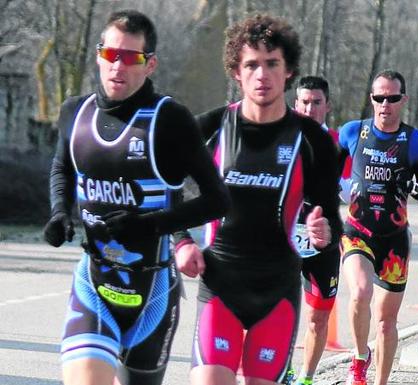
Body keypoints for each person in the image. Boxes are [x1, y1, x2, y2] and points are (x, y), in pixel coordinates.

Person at [44, 10, 231, 385]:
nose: (118, 66)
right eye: (111, 54)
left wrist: (149, 226)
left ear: (150, 65)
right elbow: (63, 167)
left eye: (131, 58)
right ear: (99, 56)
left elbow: (217, 200)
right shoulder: (74, 112)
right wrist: (59, 213)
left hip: (152, 294)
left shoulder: (168, 119)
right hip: (94, 287)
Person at [183, 15, 341, 385]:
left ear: (288, 71)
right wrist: (182, 241)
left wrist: (324, 231)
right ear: (236, 72)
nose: (262, 74)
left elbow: (329, 217)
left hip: (277, 293)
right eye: (251, 64)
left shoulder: (314, 140)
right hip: (220, 284)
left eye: (272, 64)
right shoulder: (209, 127)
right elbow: (164, 185)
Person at [338, 70, 418, 385]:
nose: (385, 104)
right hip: (357, 232)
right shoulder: (353, 133)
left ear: (403, 100)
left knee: (385, 323)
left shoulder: (415, 141)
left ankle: (380, 381)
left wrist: (411, 183)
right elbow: (327, 173)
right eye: (379, 97)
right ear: (372, 99)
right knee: (361, 291)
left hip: (394, 240)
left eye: (392, 98)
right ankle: (359, 356)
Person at [280, 75, 342, 385]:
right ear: (295, 104)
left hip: (323, 244)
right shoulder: (280, 139)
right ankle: (283, 370)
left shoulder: (337, 143)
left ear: (327, 106)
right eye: (304, 102)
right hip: (284, 241)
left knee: (319, 317)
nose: (310, 108)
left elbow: (347, 192)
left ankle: (306, 377)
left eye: (316, 102)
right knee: (278, 311)